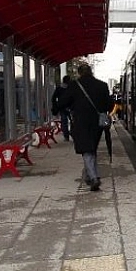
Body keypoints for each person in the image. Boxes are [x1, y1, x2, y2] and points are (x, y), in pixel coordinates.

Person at [56, 63, 111, 191]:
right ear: (91, 72)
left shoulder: (74, 85)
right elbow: (108, 105)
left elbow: (63, 102)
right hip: (97, 123)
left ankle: (93, 178)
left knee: (86, 149)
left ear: (79, 73)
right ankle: (90, 175)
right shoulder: (102, 85)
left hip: (81, 122)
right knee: (92, 148)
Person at [51, 75, 72, 141]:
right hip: (71, 107)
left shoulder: (59, 88)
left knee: (64, 122)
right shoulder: (71, 88)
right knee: (73, 122)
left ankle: (66, 136)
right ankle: (72, 134)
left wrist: (56, 105)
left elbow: (53, 98)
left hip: (62, 107)